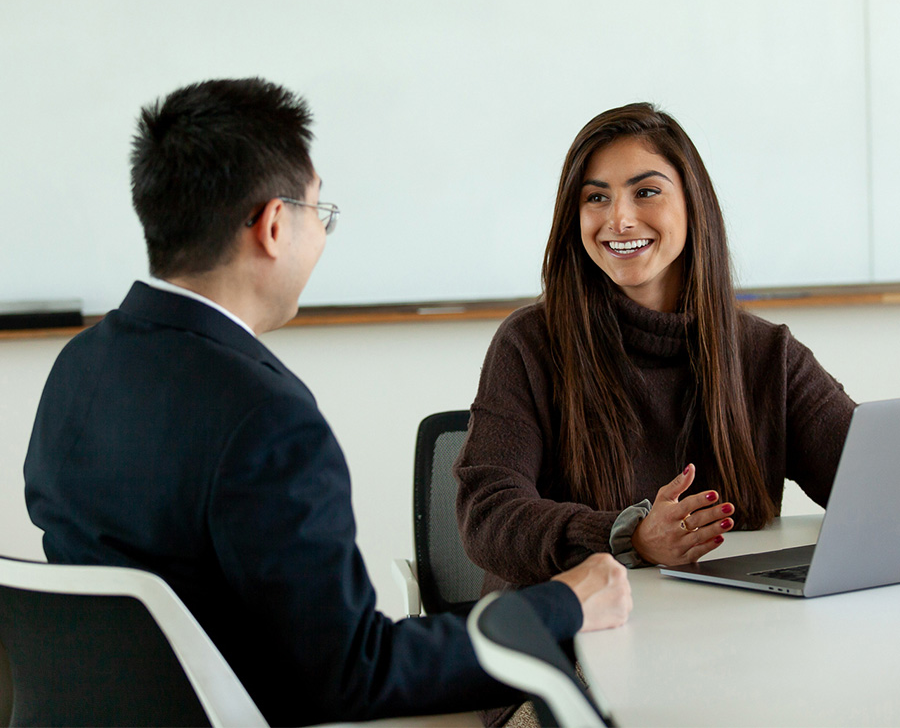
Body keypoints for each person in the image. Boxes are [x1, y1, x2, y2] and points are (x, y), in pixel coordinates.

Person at [24, 78, 632, 727]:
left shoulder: (80, 366)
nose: (322, 233)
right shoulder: (266, 418)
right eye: (320, 211)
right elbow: (351, 676)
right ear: (274, 225)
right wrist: (561, 604)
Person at [455, 102, 855, 590]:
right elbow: (488, 516)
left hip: (726, 634)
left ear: (693, 205)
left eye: (645, 192)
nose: (619, 219)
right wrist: (630, 538)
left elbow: (871, 486)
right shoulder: (530, 344)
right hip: (571, 637)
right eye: (596, 198)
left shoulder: (767, 354)